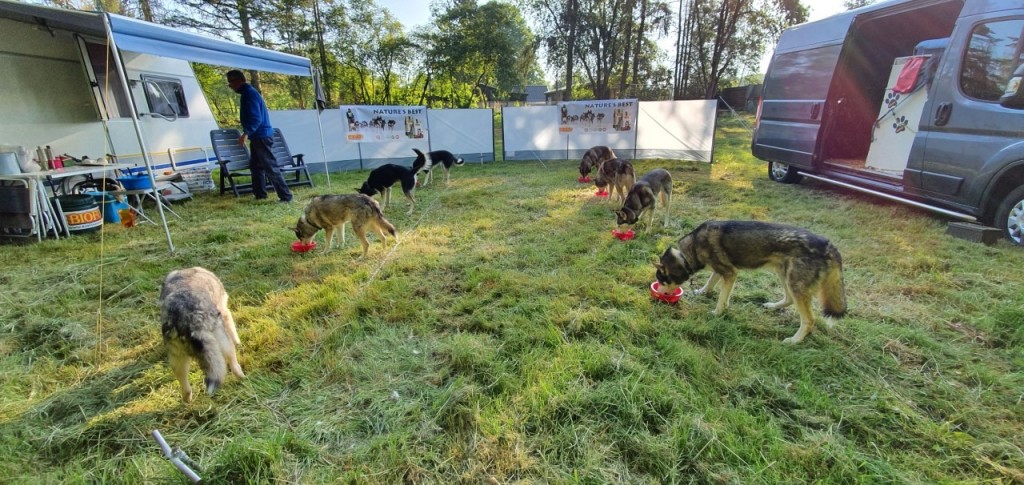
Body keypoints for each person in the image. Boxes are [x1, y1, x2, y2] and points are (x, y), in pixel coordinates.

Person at [226, 70, 292, 202]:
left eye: (230, 83)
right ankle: (260, 195)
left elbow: (256, 118)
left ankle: (286, 197)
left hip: (261, 136)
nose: (230, 86)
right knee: (256, 167)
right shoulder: (248, 93)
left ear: (237, 81)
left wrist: (246, 133)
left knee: (270, 166)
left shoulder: (249, 95)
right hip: (258, 136)